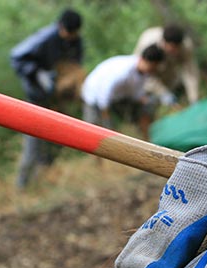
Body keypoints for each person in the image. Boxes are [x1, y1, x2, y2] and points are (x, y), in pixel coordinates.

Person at [10, 8, 83, 189]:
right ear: (60, 26)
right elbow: (16, 57)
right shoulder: (46, 37)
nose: (70, 37)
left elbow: (75, 66)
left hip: (56, 99)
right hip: (36, 97)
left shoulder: (76, 42)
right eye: (68, 32)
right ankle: (21, 186)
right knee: (33, 142)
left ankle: (42, 182)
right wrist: (37, 74)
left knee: (55, 140)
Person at [81, 44, 165, 140]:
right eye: (152, 67)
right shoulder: (123, 71)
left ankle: (146, 139)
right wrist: (106, 118)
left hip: (117, 96)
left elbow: (135, 92)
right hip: (95, 94)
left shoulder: (143, 73)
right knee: (94, 130)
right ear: (145, 61)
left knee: (145, 108)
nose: (152, 71)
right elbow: (104, 92)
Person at [133, 24, 200, 107]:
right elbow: (144, 73)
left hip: (169, 73)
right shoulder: (148, 41)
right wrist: (163, 93)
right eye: (171, 48)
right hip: (147, 80)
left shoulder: (186, 46)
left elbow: (190, 72)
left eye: (176, 49)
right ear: (164, 42)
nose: (174, 52)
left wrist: (194, 99)